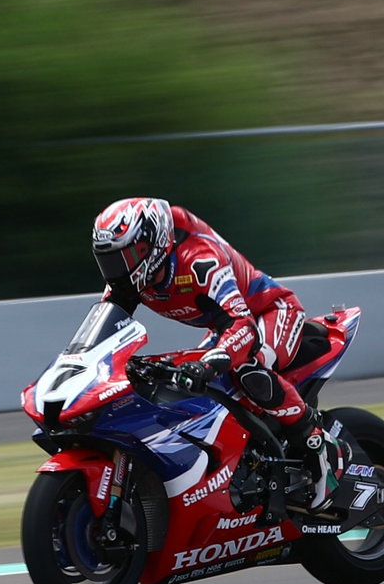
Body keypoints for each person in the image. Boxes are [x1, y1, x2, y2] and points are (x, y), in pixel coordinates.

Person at [91, 196, 346, 511]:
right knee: (184, 381)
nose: (118, 269)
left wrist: (211, 363)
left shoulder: (199, 260)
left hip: (269, 312)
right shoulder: (131, 279)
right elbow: (104, 326)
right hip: (224, 326)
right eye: (111, 261)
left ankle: (315, 441)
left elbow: (242, 325)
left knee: (246, 368)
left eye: (128, 256)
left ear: (152, 245)